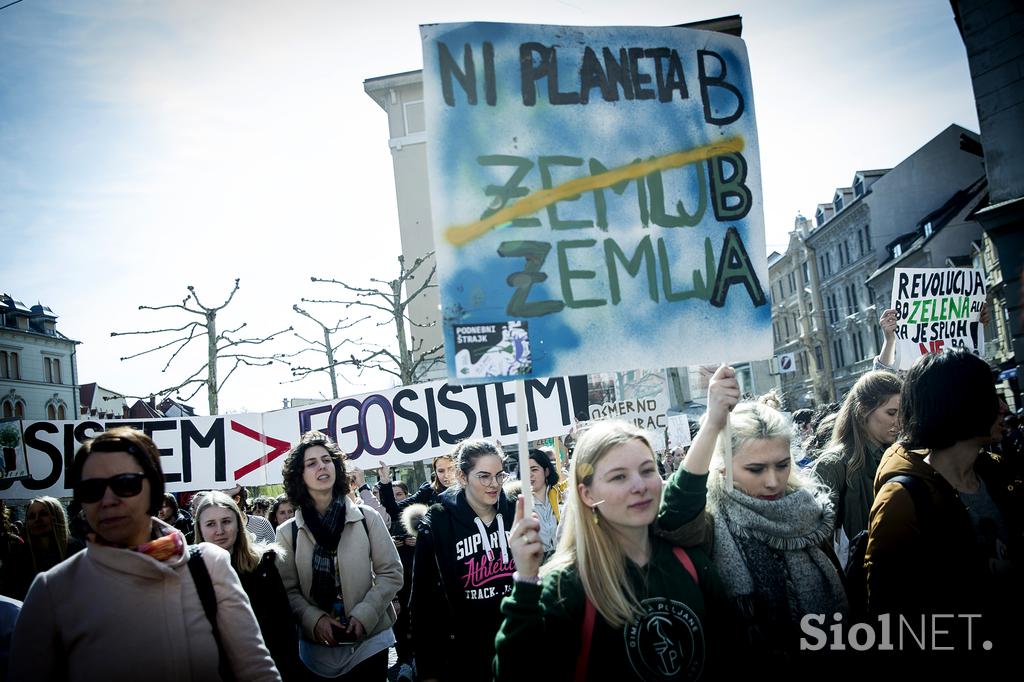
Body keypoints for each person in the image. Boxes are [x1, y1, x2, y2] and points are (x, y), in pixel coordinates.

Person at [8, 426, 280, 681]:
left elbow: (257, 672)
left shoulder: (209, 565)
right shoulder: (52, 592)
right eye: (92, 489)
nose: (108, 499)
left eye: (125, 483)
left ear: (154, 490)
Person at [494, 420, 724, 681]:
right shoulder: (564, 587)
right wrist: (525, 583)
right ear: (588, 495)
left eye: (648, 470)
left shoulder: (691, 563)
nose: (640, 485)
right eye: (619, 476)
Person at [666, 366, 846, 664]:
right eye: (756, 469)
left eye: (781, 464)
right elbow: (674, 516)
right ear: (723, 468)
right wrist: (713, 423)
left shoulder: (809, 514)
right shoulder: (708, 521)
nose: (773, 481)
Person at [865, 350, 1021, 668]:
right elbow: (890, 615)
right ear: (961, 405)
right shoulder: (901, 500)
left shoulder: (1001, 475)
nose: (1003, 408)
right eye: (991, 396)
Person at [276, 431, 403, 681]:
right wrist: (315, 620)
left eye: (326, 459)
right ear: (299, 475)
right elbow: (287, 592)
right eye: (311, 463)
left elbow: (391, 573)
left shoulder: (367, 517)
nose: (322, 466)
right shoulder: (287, 532)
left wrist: (365, 613)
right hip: (316, 650)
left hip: (370, 643)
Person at [411, 439, 516, 682]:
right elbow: (422, 600)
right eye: (484, 476)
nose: (494, 484)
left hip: (515, 647)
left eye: (499, 475)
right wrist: (428, 669)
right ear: (462, 476)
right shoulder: (438, 522)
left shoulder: (515, 512)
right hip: (462, 655)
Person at [196, 491, 304, 680]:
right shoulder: (189, 575)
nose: (220, 530)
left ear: (238, 523)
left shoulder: (264, 565)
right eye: (211, 524)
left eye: (226, 521)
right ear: (200, 529)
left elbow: (284, 628)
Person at [811, 370, 902, 566]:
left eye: (902, 413)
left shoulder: (902, 458)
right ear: (862, 410)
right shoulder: (833, 464)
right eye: (891, 413)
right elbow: (819, 540)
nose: (899, 421)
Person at [376, 454, 456, 523]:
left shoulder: (466, 489)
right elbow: (394, 512)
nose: (446, 475)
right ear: (435, 472)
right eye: (441, 471)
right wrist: (385, 481)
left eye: (451, 469)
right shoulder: (428, 492)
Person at [24, 496, 83, 580]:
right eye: (31, 516)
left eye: (43, 514)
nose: (37, 519)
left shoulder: (76, 550)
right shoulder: (20, 555)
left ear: (57, 517)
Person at [525, 448, 562, 557]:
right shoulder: (520, 504)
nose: (529, 475)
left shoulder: (561, 495)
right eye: (525, 470)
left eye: (534, 469)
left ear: (546, 471)